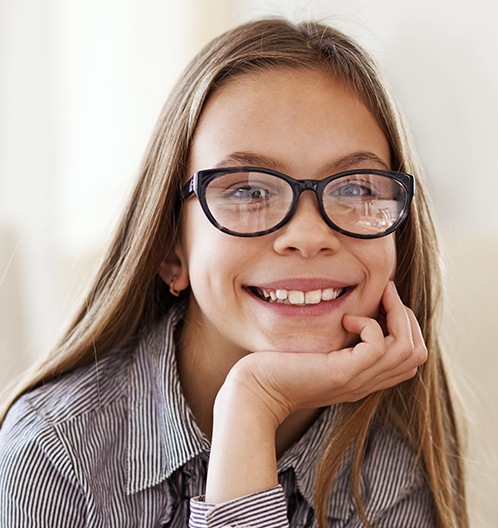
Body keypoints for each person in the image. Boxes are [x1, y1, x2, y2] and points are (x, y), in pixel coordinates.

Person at [0, 17, 468, 528]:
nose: (308, 235)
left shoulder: (390, 456)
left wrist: (253, 407)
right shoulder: (50, 455)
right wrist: (254, 404)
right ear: (169, 251)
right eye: (248, 191)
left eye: (356, 188)